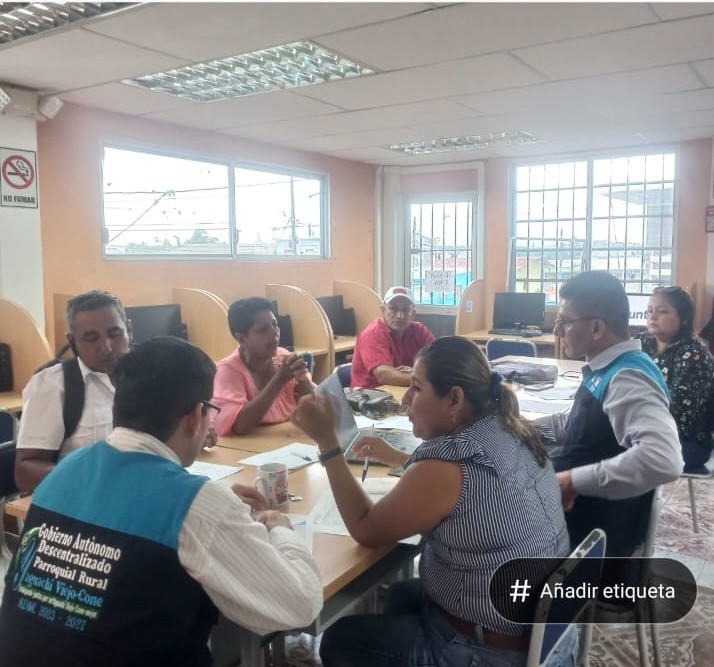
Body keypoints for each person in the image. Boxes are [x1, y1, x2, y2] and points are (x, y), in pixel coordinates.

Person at [0, 336, 322, 666]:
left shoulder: (63, 472)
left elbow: (125, 509)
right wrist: (280, 527)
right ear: (196, 416)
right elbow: (300, 606)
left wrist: (215, 502)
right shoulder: (195, 505)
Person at [293, 336, 571, 667]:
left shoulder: (449, 464)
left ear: (455, 399)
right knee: (401, 594)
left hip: (490, 651)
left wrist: (328, 443)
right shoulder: (510, 427)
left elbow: (365, 528)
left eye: (416, 387)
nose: (405, 400)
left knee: (338, 640)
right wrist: (399, 457)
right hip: (536, 629)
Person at [542, 271, 682, 560]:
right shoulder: (608, 367)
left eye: (564, 321)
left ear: (596, 328)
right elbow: (581, 426)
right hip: (573, 518)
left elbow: (663, 459)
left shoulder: (627, 377)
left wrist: (572, 481)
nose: (557, 331)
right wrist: (521, 427)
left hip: (584, 536)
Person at [14, 289, 132, 491]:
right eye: (92, 338)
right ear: (72, 342)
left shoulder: (150, 375)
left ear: (129, 330)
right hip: (84, 499)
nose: (107, 347)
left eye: (114, 334)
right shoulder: (54, 385)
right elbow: (25, 471)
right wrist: (90, 479)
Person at [212, 297, 314, 435]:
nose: (274, 333)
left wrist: (302, 378)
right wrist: (279, 380)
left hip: (288, 439)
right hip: (249, 446)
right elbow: (240, 425)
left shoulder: (283, 356)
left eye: (275, 324)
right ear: (241, 338)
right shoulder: (227, 371)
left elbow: (313, 408)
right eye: (263, 329)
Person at [639, 286, 714, 474]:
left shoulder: (694, 354)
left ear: (684, 318)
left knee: (606, 450)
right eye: (649, 310)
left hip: (684, 442)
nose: (652, 316)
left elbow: (678, 413)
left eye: (662, 311)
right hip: (641, 429)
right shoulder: (642, 343)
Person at [350, 286, 434, 389]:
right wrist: (424, 377)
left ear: (413, 314)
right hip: (369, 394)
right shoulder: (372, 333)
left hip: (402, 390)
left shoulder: (420, 331)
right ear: (383, 310)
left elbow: (438, 361)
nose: (400, 315)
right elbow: (384, 376)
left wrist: (415, 372)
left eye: (405, 310)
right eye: (393, 308)